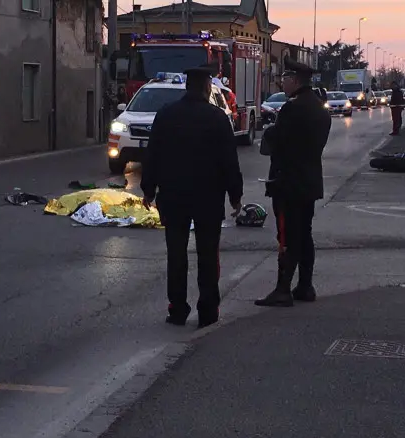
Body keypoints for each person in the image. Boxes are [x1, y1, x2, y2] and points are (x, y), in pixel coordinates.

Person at [141, 64, 243, 329]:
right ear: (207, 88)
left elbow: (152, 155)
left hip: (173, 197)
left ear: (187, 87)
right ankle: (208, 310)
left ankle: (177, 309)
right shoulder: (217, 118)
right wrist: (235, 195)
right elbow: (229, 161)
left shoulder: (165, 115)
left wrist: (148, 190)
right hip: (208, 198)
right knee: (208, 255)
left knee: (176, 255)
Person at [255, 58, 331, 307]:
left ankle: (283, 288)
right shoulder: (319, 107)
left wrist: (269, 133)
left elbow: (277, 142)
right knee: (305, 234)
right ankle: (305, 285)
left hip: (288, 182)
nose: (282, 83)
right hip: (309, 181)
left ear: (295, 80)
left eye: (285, 79)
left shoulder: (292, 108)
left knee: (287, 236)